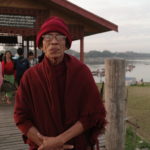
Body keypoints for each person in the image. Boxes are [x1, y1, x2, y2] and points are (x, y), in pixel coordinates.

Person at [14, 16, 106, 150]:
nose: (54, 42)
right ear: (41, 45)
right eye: (48, 37)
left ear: (66, 44)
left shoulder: (81, 72)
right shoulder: (30, 77)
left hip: (75, 145)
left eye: (59, 37)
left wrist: (59, 141)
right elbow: (21, 116)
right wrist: (45, 144)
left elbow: (93, 113)